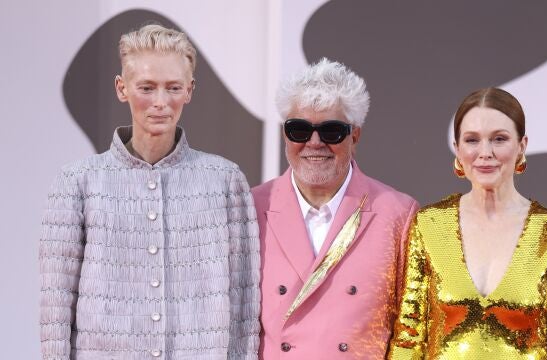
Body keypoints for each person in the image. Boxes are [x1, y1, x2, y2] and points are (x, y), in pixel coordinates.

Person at [39, 24, 260, 359]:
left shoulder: (225, 181)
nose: (160, 102)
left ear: (189, 90)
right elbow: (56, 302)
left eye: (173, 88)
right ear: (121, 88)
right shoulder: (77, 183)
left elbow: (245, 301)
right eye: (147, 87)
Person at [388, 87, 547, 359]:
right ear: (457, 149)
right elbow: (409, 336)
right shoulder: (430, 225)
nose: (485, 152)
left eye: (499, 139)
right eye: (472, 140)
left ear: (521, 146)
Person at [252, 58, 419, 359]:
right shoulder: (251, 209)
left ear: (355, 136)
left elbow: (411, 330)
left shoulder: (398, 214)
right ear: (285, 135)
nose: (314, 143)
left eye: (331, 131)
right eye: (299, 130)